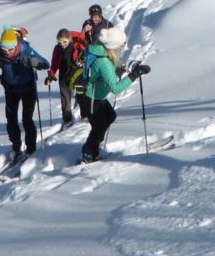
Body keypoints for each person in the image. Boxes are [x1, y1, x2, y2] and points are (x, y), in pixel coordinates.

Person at [0, 26, 51, 157]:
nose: (7, 52)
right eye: (4, 49)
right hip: (11, 90)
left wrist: (37, 63)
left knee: (27, 119)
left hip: (28, 89)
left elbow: (46, 64)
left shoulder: (26, 50)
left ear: (16, 45)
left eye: (10, 49)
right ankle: (16, 146)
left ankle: (31, 148)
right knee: (11, 119)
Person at [80, 26, 151, 163]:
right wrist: (135, 75)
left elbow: (117, 67)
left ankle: (92, 149)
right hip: (92, 100)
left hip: (97, 97)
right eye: (122, 43)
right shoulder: (104, 62)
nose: (124, 45)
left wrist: (131, 67)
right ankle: (88, 153)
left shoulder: (103, 52)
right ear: (113, 45)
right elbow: (116, 88)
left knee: (110, 116)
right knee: (98, 128)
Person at [44, 28, 88, 128]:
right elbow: (54, 64)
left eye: (65, 42)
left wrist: (81, 62)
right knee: (65, 98)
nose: (62, 44)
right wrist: (51, 75)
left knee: (81, 95)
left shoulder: (77, 45)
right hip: (64, 76)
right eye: (60, 42)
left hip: (77, 75)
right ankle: (67, 119)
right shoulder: (57, 49)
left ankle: (85, 115)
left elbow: (86, 57)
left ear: (70, 39)